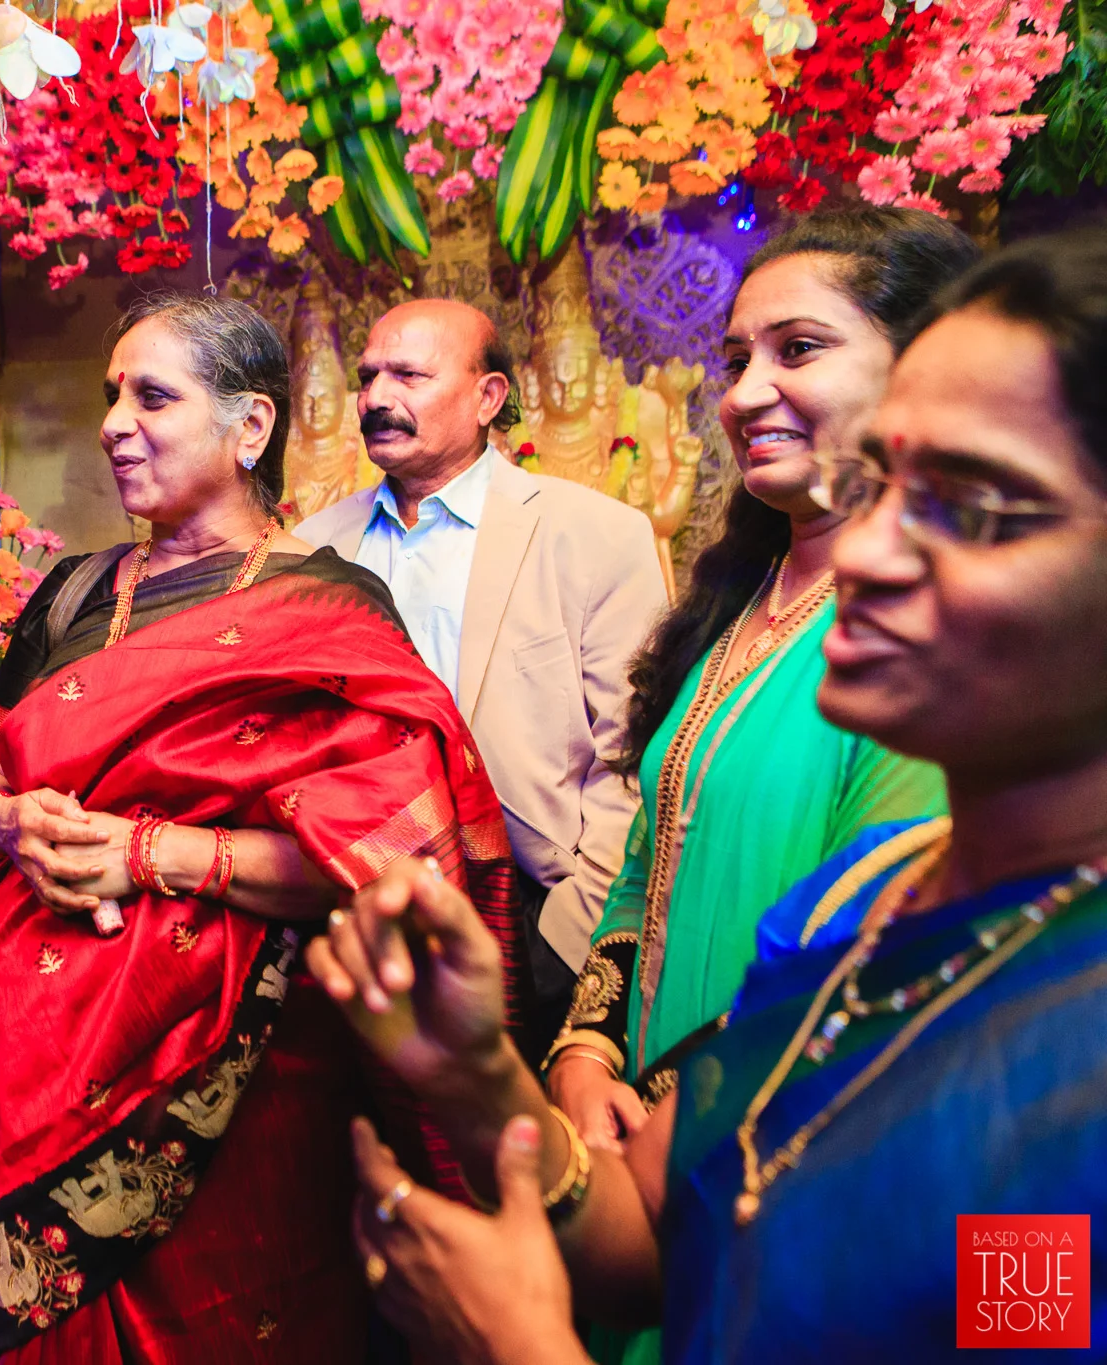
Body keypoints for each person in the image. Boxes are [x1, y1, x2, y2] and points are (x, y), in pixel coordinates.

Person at [308, 223, 1107, 1363]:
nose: (866, 555)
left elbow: (999, 1329)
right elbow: (655, 1241)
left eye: (972, 509)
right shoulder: (857, 909)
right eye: (881, 488)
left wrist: (517, 1342)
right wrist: (484, 1070)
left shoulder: (1069, 1064)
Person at [0, 293, 524, 1364]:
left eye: (152, 397)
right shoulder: (73, 592)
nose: (114, 423)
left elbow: (392, 858)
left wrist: (148, 853)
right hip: (29, 1046)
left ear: (249, 426)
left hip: (243, 1062)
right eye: (111, 394)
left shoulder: (331, 608)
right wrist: (8, 821)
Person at [545, 212, 975, 1208]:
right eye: (736, 359)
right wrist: (583, 1059)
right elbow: (642, 869)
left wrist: (659, 1128)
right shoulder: (734, 610)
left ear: (922, 366)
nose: (741, 394)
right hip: (642, 1144)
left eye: (799, 349)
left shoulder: (937, 627)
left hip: (790, 1149)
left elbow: (863, 943)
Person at [295, 299, 667, 1054]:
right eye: (368, 378)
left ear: (488, 397)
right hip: (358, 907)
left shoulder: (595, 535)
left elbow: (633, 757)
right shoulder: (311, 548)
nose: (376, 398)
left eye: (408, 375)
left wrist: (567, 941)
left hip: (535, 911)